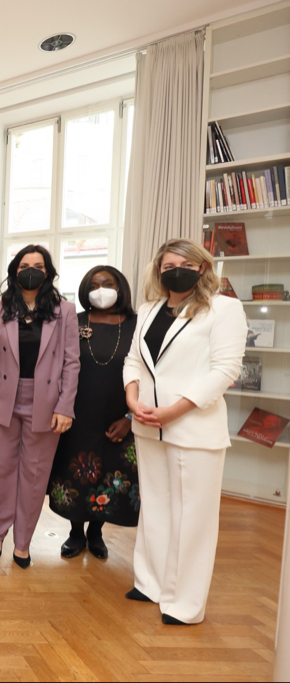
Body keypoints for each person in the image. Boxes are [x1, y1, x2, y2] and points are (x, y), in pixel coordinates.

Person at [123, 238, 246, 625]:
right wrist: (131, 399)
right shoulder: (148, 309)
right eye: (167, 264)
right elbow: (132, 361)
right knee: (155, 506)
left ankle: (184, 604)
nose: (175, 269)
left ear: (202, 268)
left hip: (194, 427)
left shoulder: (223, 309)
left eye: (184, 263)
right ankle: (150, 583)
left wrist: (174, 410)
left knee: (194, 516)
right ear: (158, 271)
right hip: (148, 426)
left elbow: (225, 371)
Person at [0, 245, 79, 568]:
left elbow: (71, 363)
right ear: (14, 270)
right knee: (1, 470)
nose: (31, 270)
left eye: (38, 265)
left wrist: (65, 407)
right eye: (25, 265)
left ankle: (23, 542)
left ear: (48, 272)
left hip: (47, 403)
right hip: (4, 399)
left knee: (34, 475)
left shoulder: (64, 311)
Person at [48, 266, 139, 560]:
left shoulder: (137, 325)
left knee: (109, 474)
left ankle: (96, 534)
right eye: (95, 285)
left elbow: (150, 376)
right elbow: (57, 366)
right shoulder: (73, 322)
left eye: (108, 283)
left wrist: (129, 418)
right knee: (76, 475)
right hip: (76, 415)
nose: (101, 290)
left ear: (120, 287)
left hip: (119, 418)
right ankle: (76, 533)